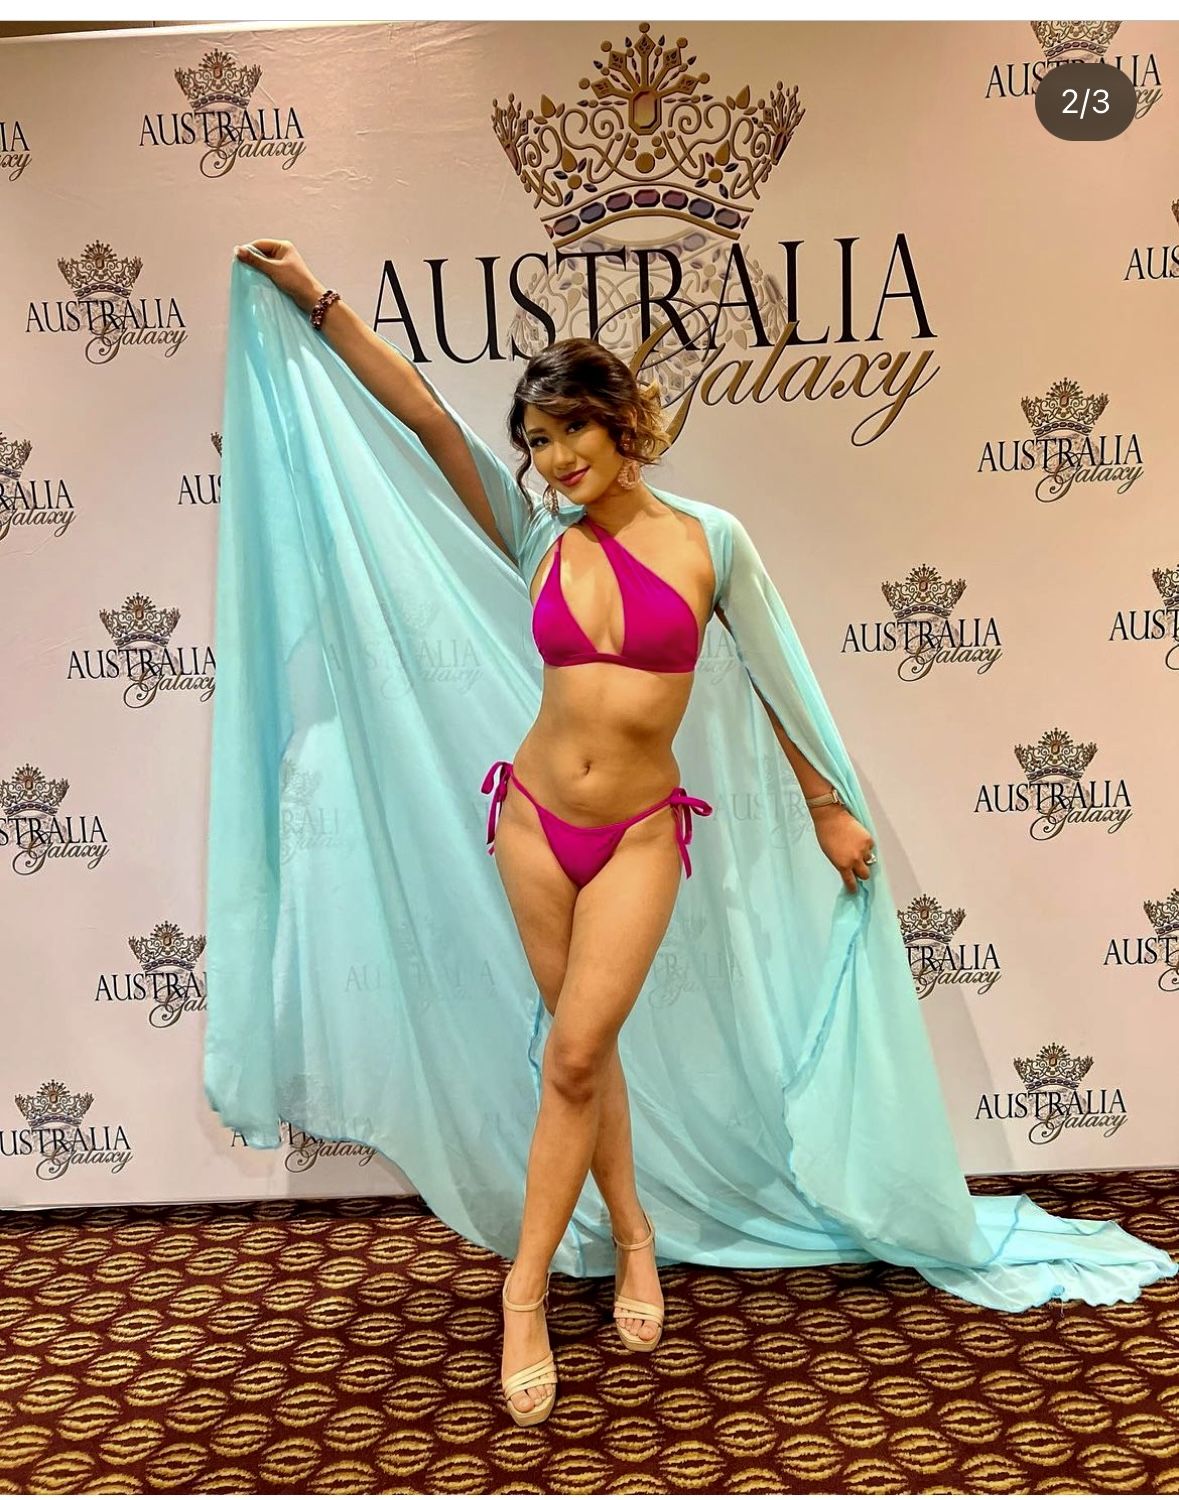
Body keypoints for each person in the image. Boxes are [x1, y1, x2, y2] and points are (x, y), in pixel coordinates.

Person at [207, 240, 1177, 1432]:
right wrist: (317, 300)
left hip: (635, 837)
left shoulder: (712, 541)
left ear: (624, 424)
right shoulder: (535, 534)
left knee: (574, 1054)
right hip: (530, 824)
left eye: (573, 429)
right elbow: (424, 417)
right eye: (538, 440)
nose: (556, 458)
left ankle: (522, 1290)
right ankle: (632, 1237)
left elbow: (775, 673)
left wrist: (827, 803)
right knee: (583, 1053)